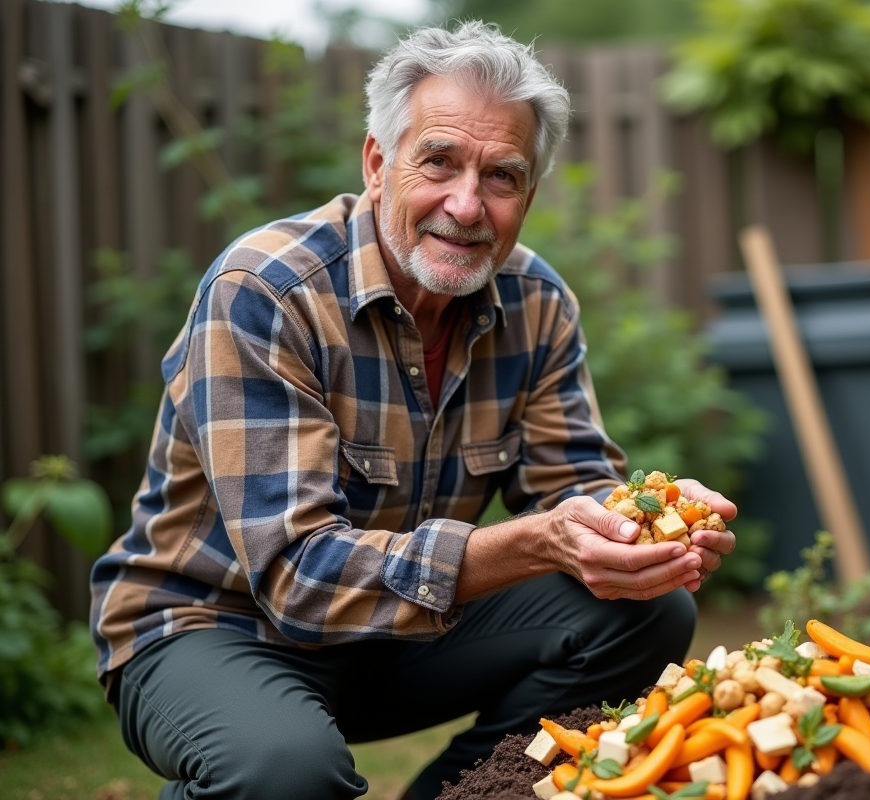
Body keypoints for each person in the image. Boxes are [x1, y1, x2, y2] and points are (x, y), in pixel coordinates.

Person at [89, 20, 737, 800]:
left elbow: (573, 488)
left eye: (502, 176)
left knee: (647, 612)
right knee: (286, 773)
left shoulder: (537, 302)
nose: (467, 206)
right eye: (439, 162)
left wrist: (646, 521)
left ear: (529, 193)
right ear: (377, 162)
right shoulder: (265, 291)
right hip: (212, 629)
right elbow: (297, 574)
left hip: (393, 635)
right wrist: (535, 543)